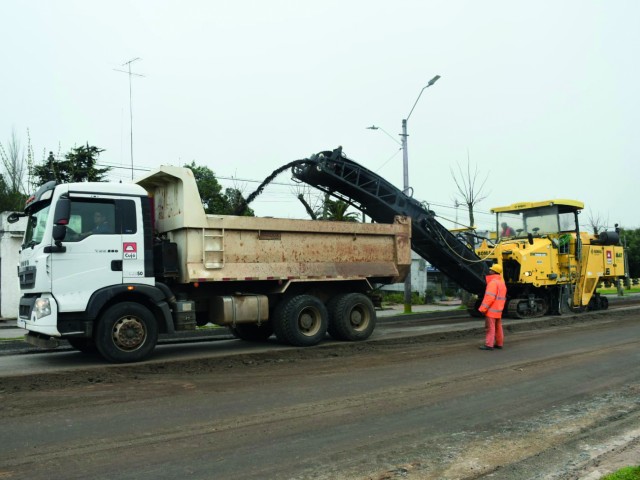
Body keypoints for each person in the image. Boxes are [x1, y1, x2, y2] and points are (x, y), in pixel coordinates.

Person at [478, 263, 507, 351]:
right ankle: (499, 343)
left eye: (491, 270)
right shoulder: (502, 283)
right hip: (498, 310)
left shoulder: (492, 283)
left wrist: (483, 309)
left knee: (490, 328)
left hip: (491, 310)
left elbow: (489, 298)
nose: (489, 271)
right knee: (498, 327)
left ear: (494, 272)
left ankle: (489, 345)